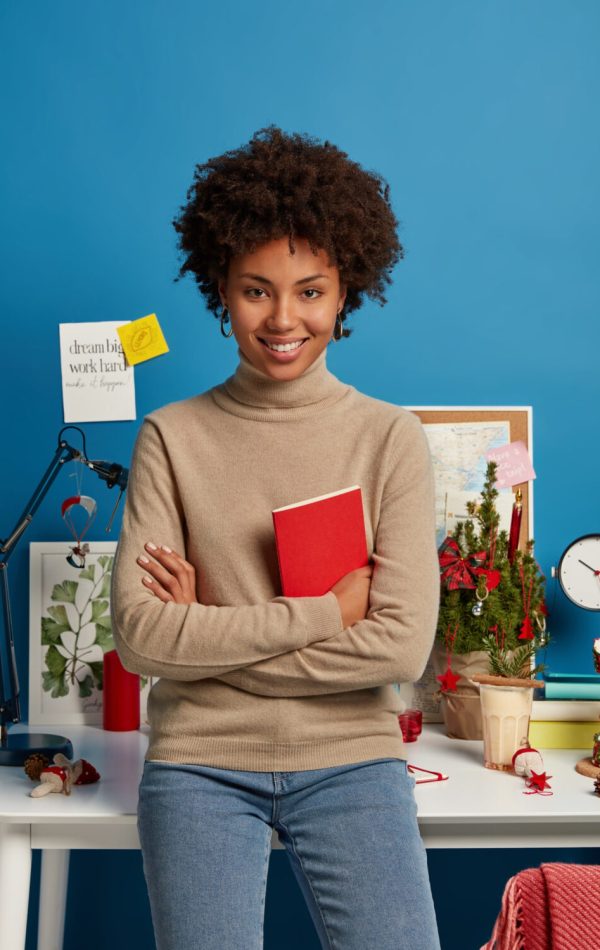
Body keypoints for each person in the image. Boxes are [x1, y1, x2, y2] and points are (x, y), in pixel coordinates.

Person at [110, 125, 442, 950]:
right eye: (257, 290)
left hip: (354, 759)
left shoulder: (389, 438)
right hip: (198, 763)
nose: (284, 318)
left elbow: (400, 649)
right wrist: (326, 614)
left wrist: (210, 633)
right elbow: (144, 637)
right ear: (220, 288)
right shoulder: (171, 437)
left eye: (311, 290)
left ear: (345, 293)